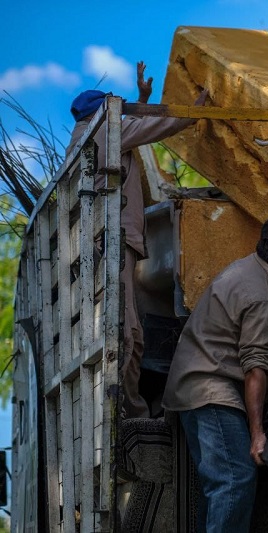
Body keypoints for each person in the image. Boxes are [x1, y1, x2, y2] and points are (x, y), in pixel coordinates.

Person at [66, 62, 208, 418]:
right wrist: (195, 113)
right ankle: (131, 416)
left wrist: (144, 97)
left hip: (105, 246)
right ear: (102, 112)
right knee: (126, 335)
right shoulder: (103, 135)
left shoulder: (85, 138)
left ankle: (128, 410)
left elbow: (138, 126)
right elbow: (155, 128)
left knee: (128, 332)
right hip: (110, 246)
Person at [162, 214, 268, 533]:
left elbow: (258, 341)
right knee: (235, 480)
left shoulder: (248, 269)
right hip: (209, 388)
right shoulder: (264, 298)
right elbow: (255, 366)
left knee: (219, 487)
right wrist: (257, 433)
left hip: (194, 381)